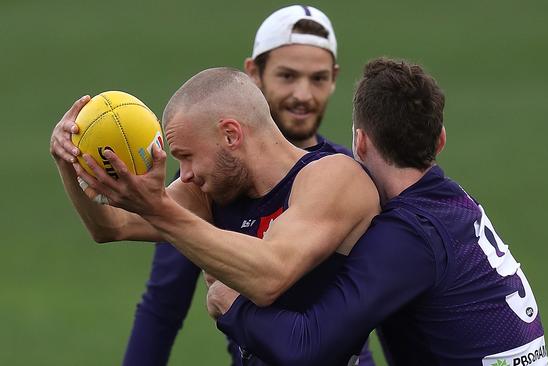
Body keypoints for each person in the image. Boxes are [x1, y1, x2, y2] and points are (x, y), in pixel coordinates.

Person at [208, 58, 548, 366]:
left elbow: (305, 348)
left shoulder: (409, 234)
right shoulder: (452, 204)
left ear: (361, 142)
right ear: (440, 140)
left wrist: (234, 305)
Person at [49, 67, 379, 366]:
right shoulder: (210, 192)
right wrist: (68, 160)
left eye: (188, 157)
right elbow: (111, 226)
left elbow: (271, 276)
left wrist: (158, 208)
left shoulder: (334, 176)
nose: (186, 175)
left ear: (231, 135)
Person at [118, 5, 376, 365]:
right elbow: (164, 304)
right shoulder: (206, 179)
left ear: (334, 78)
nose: (303, 95)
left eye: (317, 79)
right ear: (254, 73)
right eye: (287, 76)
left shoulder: (347, 175)